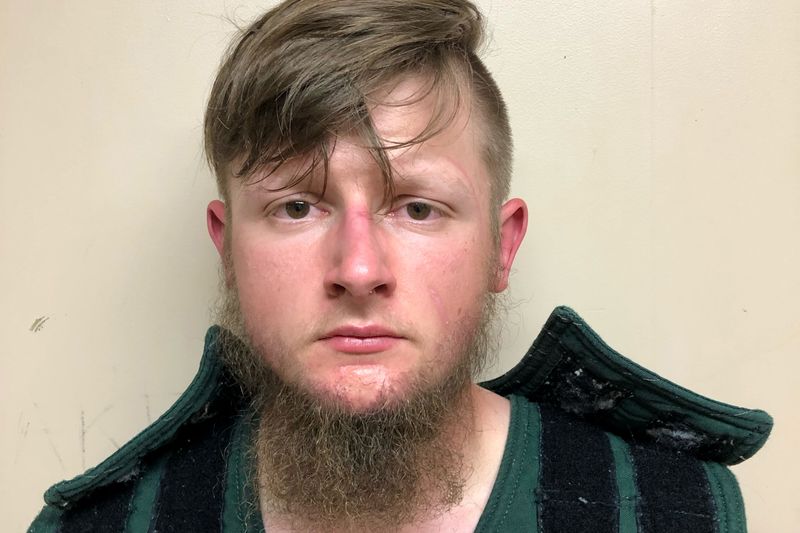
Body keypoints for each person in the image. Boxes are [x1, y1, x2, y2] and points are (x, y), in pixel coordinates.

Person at [28, 1, 772, 531]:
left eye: (417, 207)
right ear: (227, 251)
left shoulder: (675, 510)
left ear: (501, 247)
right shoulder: (104, 523)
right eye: (297, 207)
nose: (358, 268)